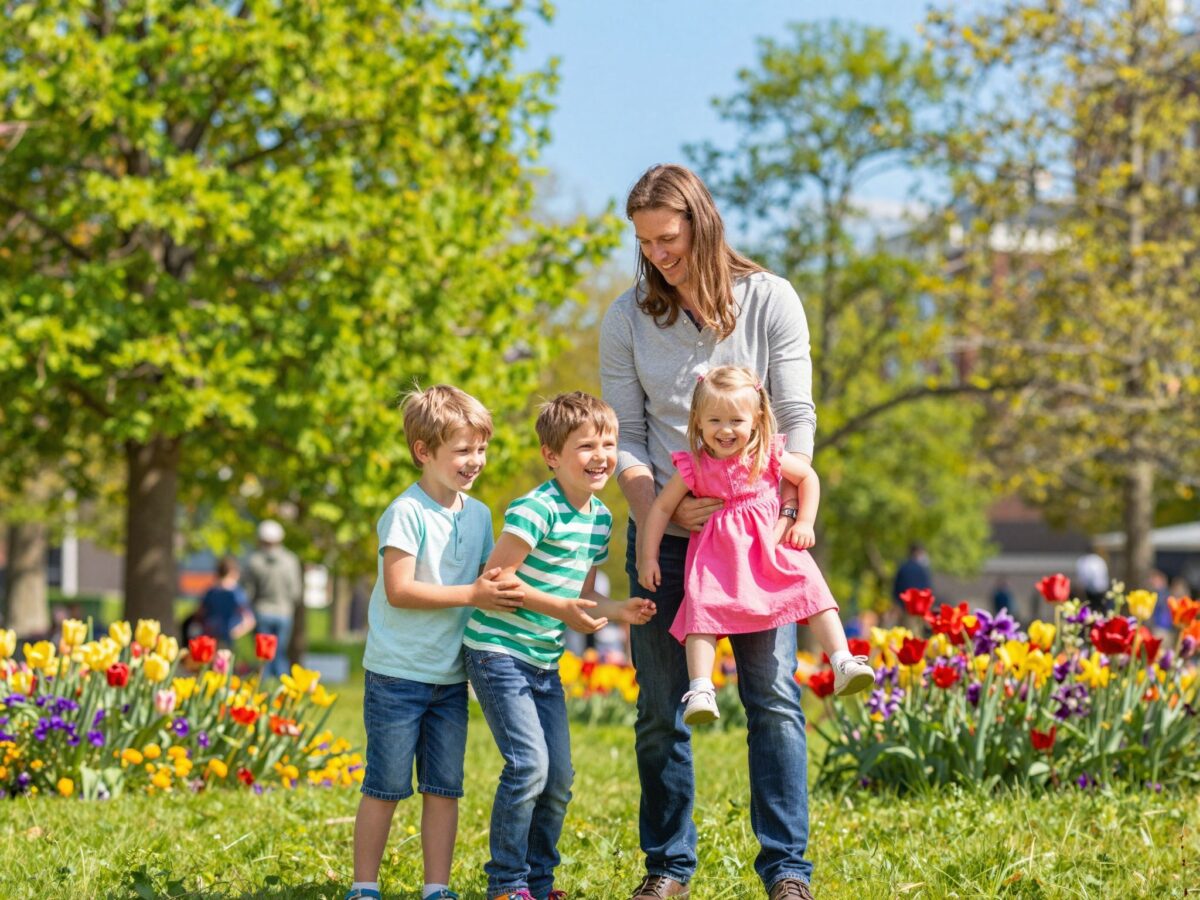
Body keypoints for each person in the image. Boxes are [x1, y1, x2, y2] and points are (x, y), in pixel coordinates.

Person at [599, 163, 821, 900]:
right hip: (668, 535)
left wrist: (785, 506)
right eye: (645, 243)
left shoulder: (770, 299)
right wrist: (653, 505)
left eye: (668, 238)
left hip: (756, 532)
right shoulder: (628, 318)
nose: (657, 254)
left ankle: (786, 869)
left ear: (701, 223)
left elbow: (795, 416)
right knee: (661, 710)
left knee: (774, 699)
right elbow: (624, 436)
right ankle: (667, 867)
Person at [462, 392, 657, 900]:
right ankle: (506, 885)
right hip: (498, 651)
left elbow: (581, 596)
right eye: (586, 445)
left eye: (609, 443)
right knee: (529, 766)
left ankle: (538, 883)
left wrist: (617, 611)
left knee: (559, 778)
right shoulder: (535, 508)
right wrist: (564, 612)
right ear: (552, 455)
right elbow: (497, 579)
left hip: (543, 660)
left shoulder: (600, 520)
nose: (601, 455)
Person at [345, 385, 525, 900]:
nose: (475, 461)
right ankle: (363, 886)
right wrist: (471, 593)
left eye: (480, 449)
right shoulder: (406, 512)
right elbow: (399, 590)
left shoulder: (479, 514)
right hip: (397, 674)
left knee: (444, 789)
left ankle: (436, 888)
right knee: (385, 786)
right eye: (462, 450)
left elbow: (494, 579)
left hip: (450, 678)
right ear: (424, 452)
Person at [637, 366, 873, 724]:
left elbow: (808, 477)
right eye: (715, 419)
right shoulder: (695, 466)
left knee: (811, 587)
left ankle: (842, 660)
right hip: (719, 560)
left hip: (769, 548)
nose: (726, 429)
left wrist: (804, 521)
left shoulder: (768, 456)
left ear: (757, 418)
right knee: (701, 611)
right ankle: (701, 688)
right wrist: (647, 556)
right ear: (698, 421)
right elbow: (662, 508)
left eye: (736, 419)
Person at [243, 518, 304, 679]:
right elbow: (296, 592)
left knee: (264, 657)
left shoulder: (254, 561)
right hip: (284, 613)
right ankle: (283, 688)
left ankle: (264, 690)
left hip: (262, 612)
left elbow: (249, 592)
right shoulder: (291, 561)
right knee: (280, 653)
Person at [197, 556, 255, 646]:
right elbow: (249, 620)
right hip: (229, 636)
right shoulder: (237, 593)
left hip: (211, 637)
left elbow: (200, 613)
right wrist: (236, 632)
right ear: (234, 572)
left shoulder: (211, 592)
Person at [892, 543, 933, 609]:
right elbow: (927, 590)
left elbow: (896, 589)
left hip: (903, 605)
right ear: (917, 552)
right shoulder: (922, 569)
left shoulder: (902, 567)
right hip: (918, 606)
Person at [1074, 544, 1110, 611]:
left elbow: (1083, 577)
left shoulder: (1084, 561)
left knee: (1092, 609)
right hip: (1101, 589)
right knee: (1101, 609)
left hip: (1090, 590)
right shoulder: (1099, 560)